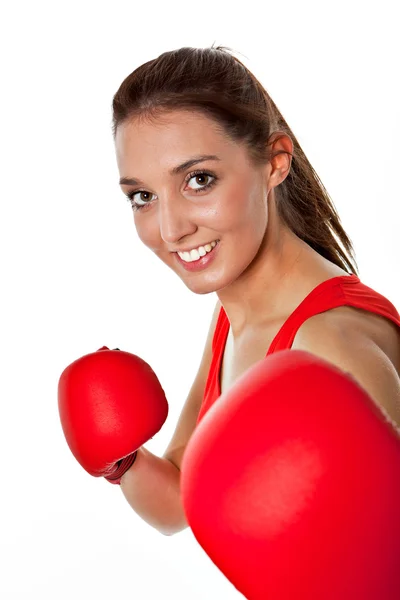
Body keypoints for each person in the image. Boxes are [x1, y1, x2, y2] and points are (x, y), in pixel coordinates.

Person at [60, 46, 400, 540]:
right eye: (143, 196)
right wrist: (121, 457)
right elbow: (181, 495)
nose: (171, 228)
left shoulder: (329, 346)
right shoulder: (238, 312)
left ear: (274, 163)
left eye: (199, 180)